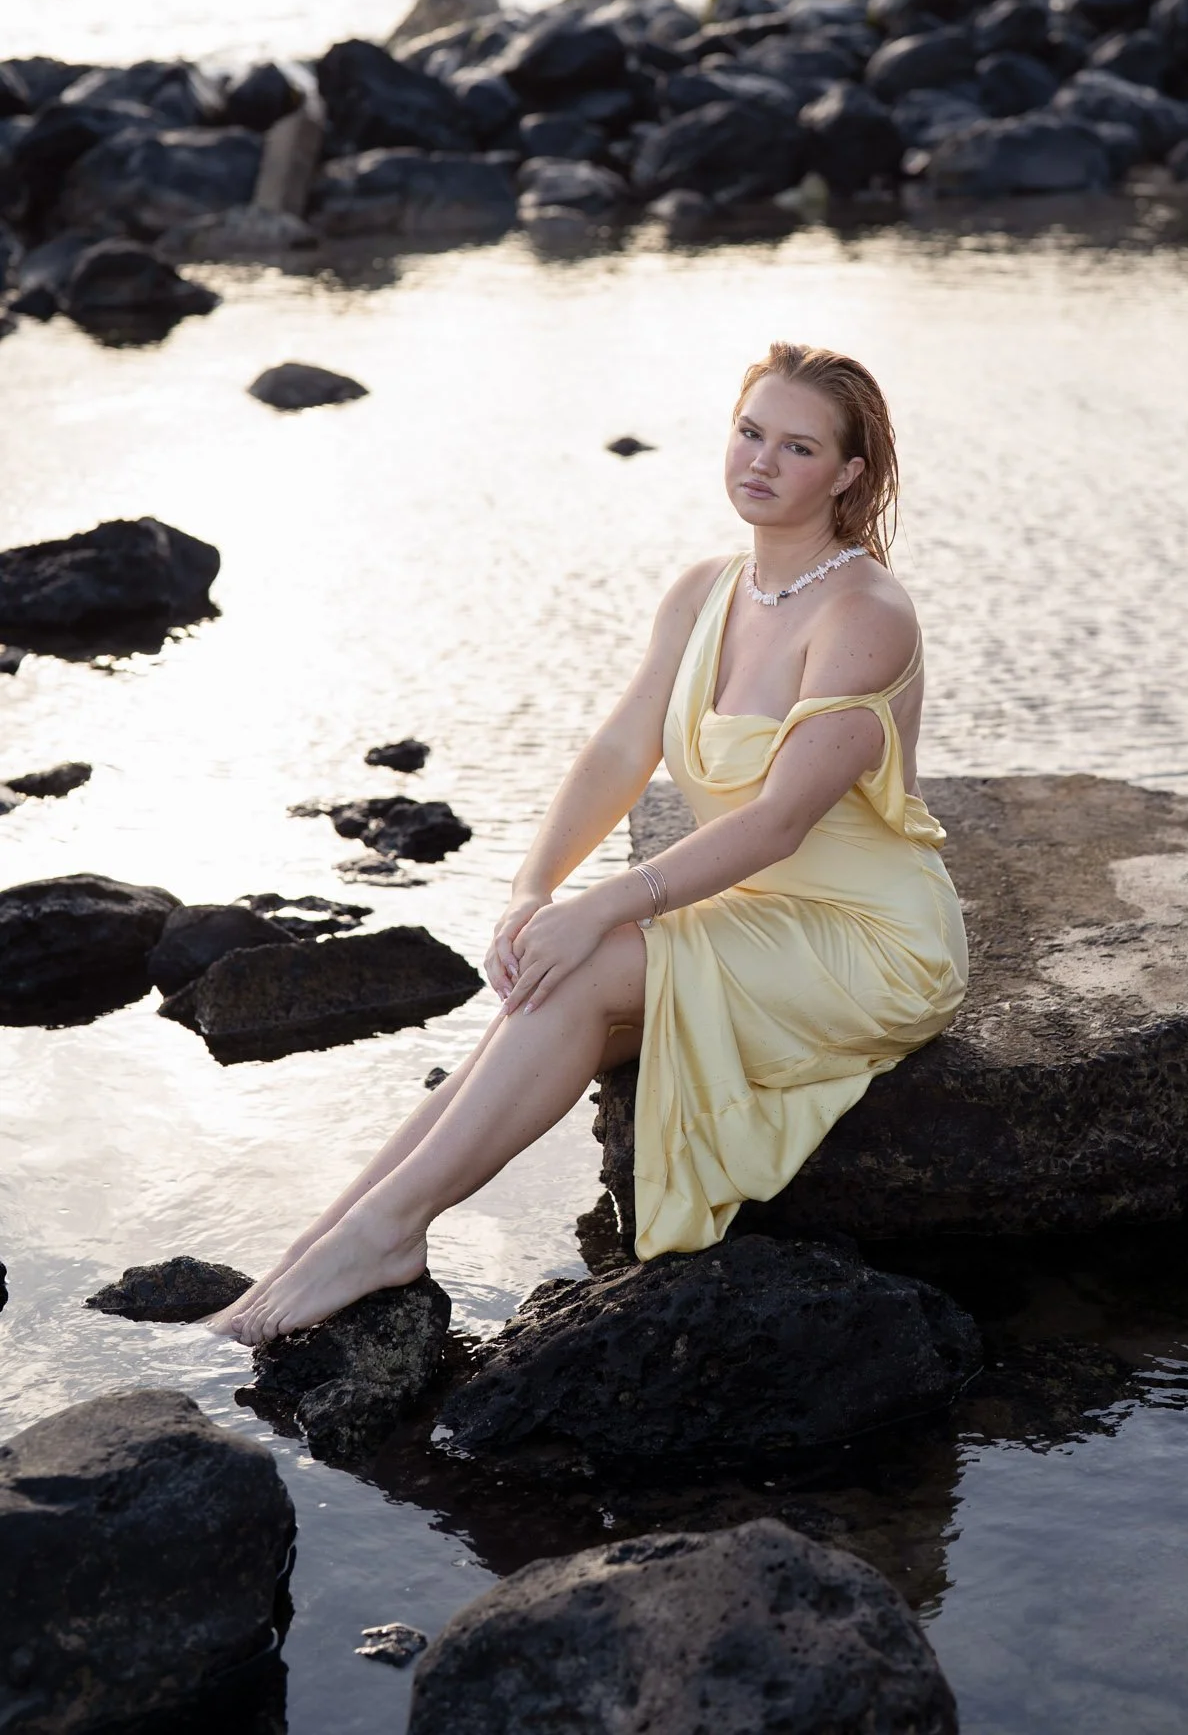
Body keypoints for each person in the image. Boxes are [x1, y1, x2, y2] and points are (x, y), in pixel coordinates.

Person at [212, 342, 968, 1346]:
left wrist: (605, 905)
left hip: (872, 940)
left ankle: (387, 1231)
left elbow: (782, 819)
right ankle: (332, 1237)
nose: (761, 460)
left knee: (590, 955)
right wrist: (534, 890)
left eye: (797, 446)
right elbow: (621, 747)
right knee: (543, 980)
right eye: (750, 431)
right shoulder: (706, 589)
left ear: (848, 472)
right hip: (758, 915)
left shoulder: (865, 611)